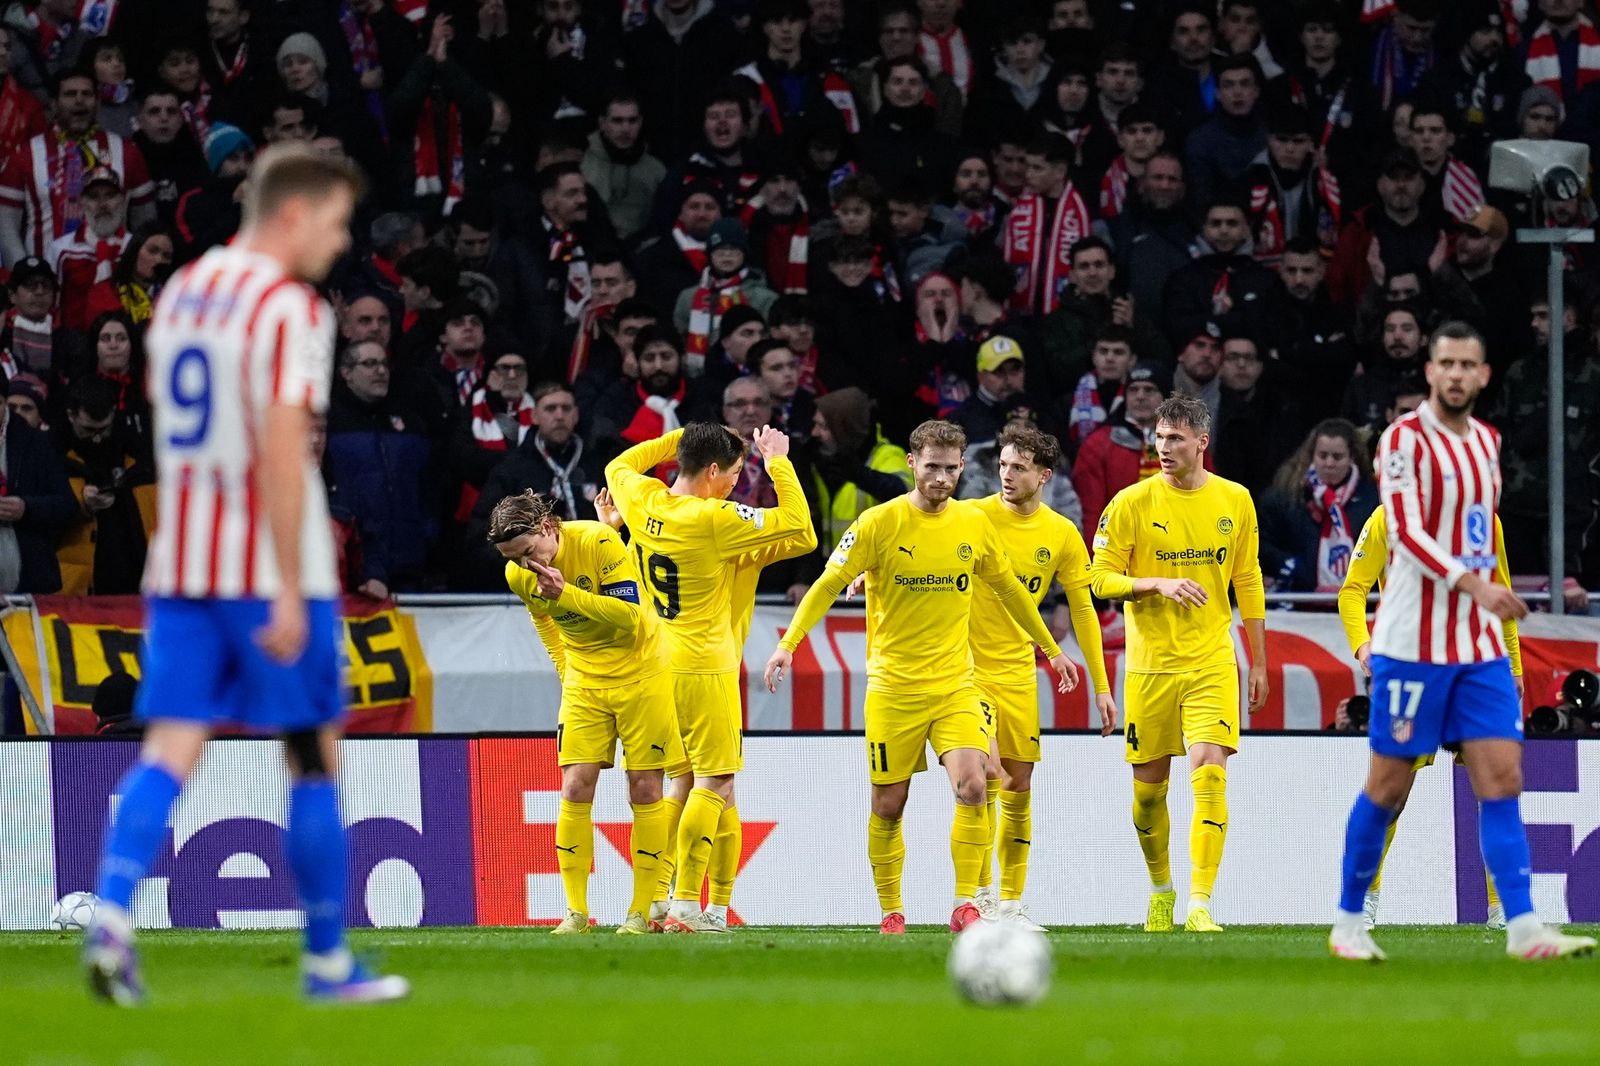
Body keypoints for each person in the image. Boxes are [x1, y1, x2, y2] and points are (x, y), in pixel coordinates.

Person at [82, 144, 408, 1004]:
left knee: (170, 745)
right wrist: (298, 584)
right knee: (310, 754)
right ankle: (328, 959)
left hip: (181, 556)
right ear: (294, 215)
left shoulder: (184, 291)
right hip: (266, 564)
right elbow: (279, 442)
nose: (341, 244)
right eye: (336, 223)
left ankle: (112, 912)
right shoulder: (291, 309)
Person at [1327, 320, 1596, 963]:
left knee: (1502, 781)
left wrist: (1492, 619)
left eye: (1465, 364)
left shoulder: (1486, 444)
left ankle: (1525, 925)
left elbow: (1479, 533)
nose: (1453, 374)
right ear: (1429, 371)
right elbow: (1410, 533)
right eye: (1443, 362)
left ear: (1482, 375)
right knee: (1388, 787)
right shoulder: (1401, 441)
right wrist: (1475, 587)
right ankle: (1348, 920)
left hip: (1476, 650)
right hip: (1410, 646)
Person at [764, 419, 1076, 935]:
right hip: (893, 688)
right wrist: (787, 645)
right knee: (890, 804)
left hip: (957, 684)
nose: (941, 478)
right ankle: (891, 911)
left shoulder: (975, 525)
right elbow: (825, 584)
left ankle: (964, 905)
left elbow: (1012, 591)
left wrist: (1049, 648)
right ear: (912, 464)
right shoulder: (878, 524)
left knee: (976, 784)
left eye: (951, 469)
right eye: (931, 467)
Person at [605, 422, 814, 933]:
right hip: (704, 665)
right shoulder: (714, 518)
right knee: (716, 781)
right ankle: (684, 904)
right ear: (714, 470)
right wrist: (776, 460)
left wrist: (682, 435)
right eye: (735, 474)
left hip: (654, 664)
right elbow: (800, 525)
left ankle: (659, 901)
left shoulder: (642, 498)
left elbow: (619, 465)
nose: (737, 486)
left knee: (683, 783)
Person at [1089, 392, 1269, 935]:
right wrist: (1154, 582)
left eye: (1174, 438)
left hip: (1212, 658)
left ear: (1201, 442)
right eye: (1158, 437)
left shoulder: (1235, 500)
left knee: (1210, 771)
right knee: (1149, 794)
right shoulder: (1130, 503)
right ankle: (1162, 889)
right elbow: (1097, 579)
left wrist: (1258, 660)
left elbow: (1249, 580)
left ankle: (1200, 903)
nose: (1163, 447)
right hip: (1149, 666)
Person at [489, 489, 681, 936]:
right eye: (514, 558)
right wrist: (567, 672)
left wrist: (568, 593)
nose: (524, 566)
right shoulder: (517, 576)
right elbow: (544, 620)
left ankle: (638, 911)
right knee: (574, 785)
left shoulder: (598, 542)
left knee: (646, 787)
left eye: (529, 552)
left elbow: (631, 616)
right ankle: (576, 912)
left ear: (548, 529)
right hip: (584, 684)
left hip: (642, 675)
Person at [1337, 496, 1522, 932]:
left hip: (1473, 669)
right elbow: (1352, 591)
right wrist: (1362, 647)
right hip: (1411, 669)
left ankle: (1501, 909)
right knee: (1389, 795)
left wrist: (1513, 667)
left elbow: (1502, 596)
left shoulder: (1483, 521)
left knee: (1493, 789)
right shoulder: (1388, 518)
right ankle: (1362, 901)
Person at [964, 423, 1115, 927]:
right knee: (984, 777)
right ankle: (979, 897)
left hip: (1018, 673)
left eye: (1019, 468)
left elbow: (1086, 612)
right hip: (964, 672)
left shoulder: (1061, 533)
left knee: (1019, 784)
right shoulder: (972, 516)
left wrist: (1101, 686)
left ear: (1044, 475)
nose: (1006, 475)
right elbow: (913, 533)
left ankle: (1010, 903)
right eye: (1003, 465)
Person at [52, 376, 155, 595]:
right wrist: (80, 502)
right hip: (77, 586)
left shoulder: (137, 452)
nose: (97, 439)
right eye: (88, 430)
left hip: (136, 581)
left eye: (103, 429)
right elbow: (40, 513)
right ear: (71, 415)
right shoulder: (51, 452)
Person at [1258, 419, 1380, 594]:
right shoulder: (1286, 496)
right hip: (1296, 601)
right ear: (1312, 455)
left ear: (1351, 457)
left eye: (1337, 457)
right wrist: (1289, 565)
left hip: (1359, 603)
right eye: (1323, 456)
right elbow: (1262, 541)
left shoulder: (1373, 499)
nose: (1329, 463)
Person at [0, 365, 75, 593]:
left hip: (31, 589)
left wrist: (26, 508)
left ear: (3, 402)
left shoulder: (36, 443)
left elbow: (66, 506)